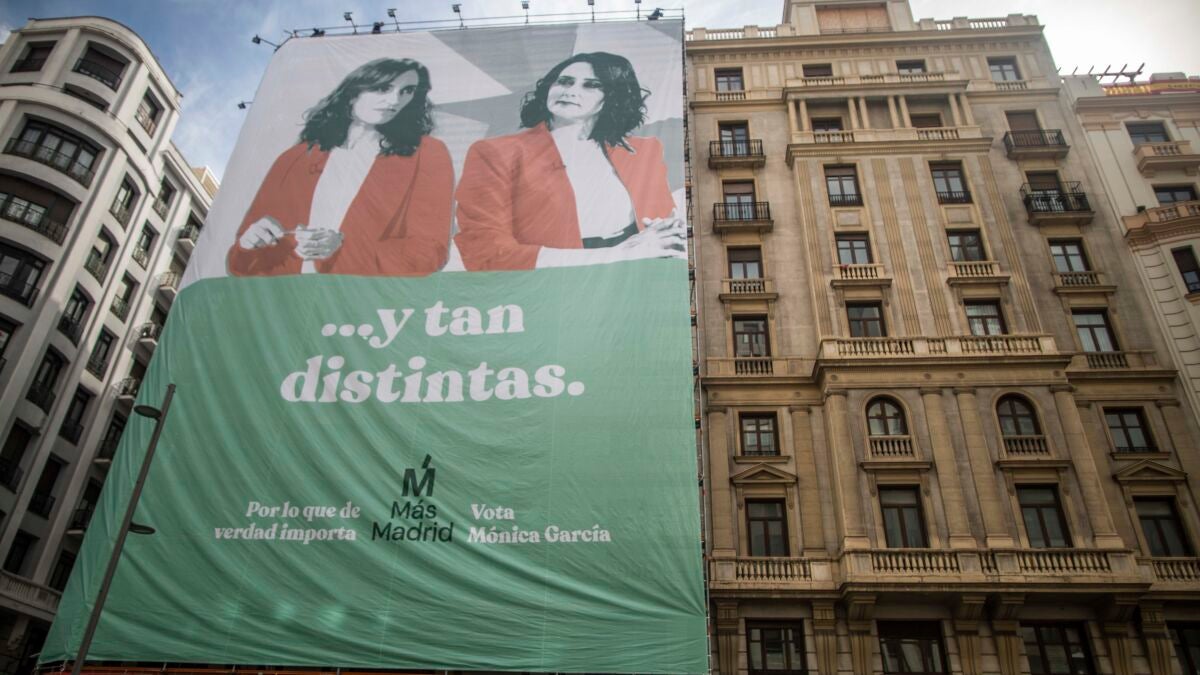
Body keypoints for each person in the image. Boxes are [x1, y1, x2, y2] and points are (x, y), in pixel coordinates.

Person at [454, 52, 684, 271]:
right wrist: (617, 254)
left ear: (613, 97)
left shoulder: (643, 151)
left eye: (591, 85)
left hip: (634, 278)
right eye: (564, 81)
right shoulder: (495, 153)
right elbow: (486, 253)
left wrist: (668, 234)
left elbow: (663, 220)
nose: (570, 91)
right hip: (547, 284)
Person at [227, 58, 453, 277]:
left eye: (407, 91)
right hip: (287, 298)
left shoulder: (426, 154)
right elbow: (241, 264)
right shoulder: (294, 159)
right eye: (383, 88)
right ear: (353, 92)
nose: (395, 100)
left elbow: (430, 251)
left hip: (362, 299)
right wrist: (248, 245)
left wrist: (344, 250)